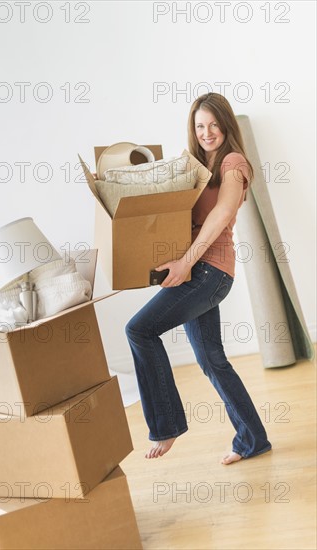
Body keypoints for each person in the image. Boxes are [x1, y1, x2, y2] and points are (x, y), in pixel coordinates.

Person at [125, 92, 272, 465]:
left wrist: (186, 263)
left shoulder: (233, 163)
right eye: (199, 126)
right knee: (211, 359)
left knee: (139, 330)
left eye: (213, 125)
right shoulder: (192, 164)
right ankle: (252, 439)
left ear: (226, 125)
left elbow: (221, 215)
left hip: (209, 272)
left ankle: (166, 425)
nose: (207, 132)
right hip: (195, 270)